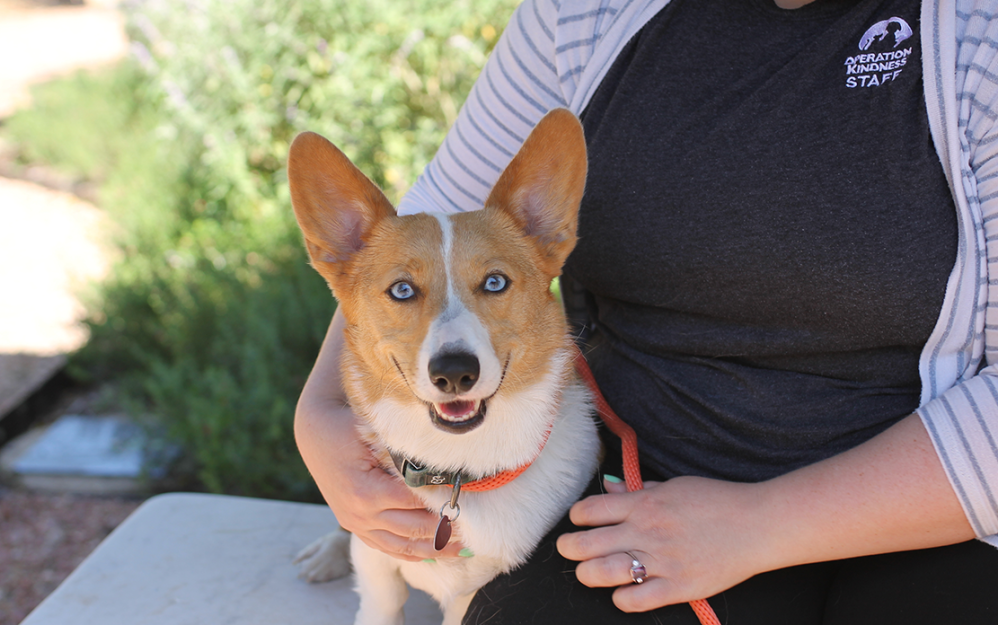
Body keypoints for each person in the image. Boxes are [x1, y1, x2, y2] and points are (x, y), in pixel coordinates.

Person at [294, 0, 998, 622]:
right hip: (632, 492)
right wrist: (322, 413)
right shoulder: (586, 13)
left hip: (939, 510)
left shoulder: (978, 33)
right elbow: (418, 237)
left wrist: (761, 524)